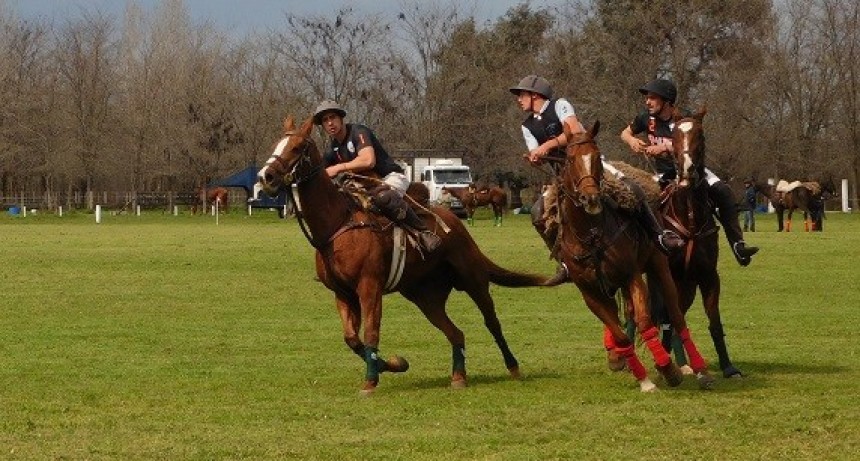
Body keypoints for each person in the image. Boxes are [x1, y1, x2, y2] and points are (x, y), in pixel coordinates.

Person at [509, 75, 684, 285]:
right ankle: (564, 261)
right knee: (538, 213)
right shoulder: (526, 126)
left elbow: (573, 131)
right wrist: (534, 157)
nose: (518, 99)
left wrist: (546, 146)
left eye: (522, 94)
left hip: (591, 168)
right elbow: (535, 153)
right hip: (565, 178)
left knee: (632, 188)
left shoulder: (559, 105)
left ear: (535, 95)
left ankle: (658, 236)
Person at [620, 78, 759, 266]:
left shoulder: (685, 119)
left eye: (652, 98)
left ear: (667, 101)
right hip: (661, 174)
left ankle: (738, 245)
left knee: (723, 191)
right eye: (647, 97)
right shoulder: (646, 118)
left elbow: (693, 144)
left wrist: (665, 148)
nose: (647, 101)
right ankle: (644, 251)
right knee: (640, 199)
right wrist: (632, 141)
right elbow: (625, 132)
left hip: (691, 171)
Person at [312, 100, 441, 252]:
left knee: (383, 197)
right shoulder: (332, 149)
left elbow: (368, 160)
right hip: (366, 186)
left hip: (390, 177)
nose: (329, 123)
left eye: (332, 117)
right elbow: (320, 174)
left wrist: (338, 168)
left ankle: (423, 232)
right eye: (325, 120)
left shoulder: (358, 132)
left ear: (341, 118)